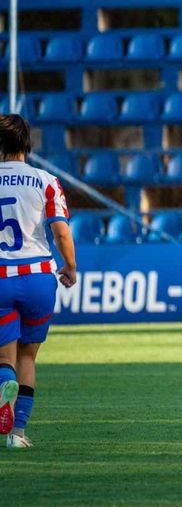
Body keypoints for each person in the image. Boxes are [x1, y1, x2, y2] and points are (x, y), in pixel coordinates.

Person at [0, 114, 76, 450]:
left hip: (1, 277)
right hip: (37, 277)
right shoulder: (45, 180)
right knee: (28, 358)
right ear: (26, 145)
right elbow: (61, 230)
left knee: (5, 360)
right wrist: (70, 266)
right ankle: (17, 434)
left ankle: (5, 385)